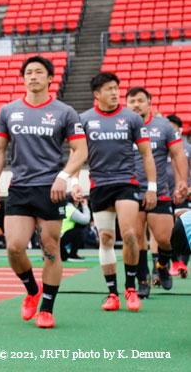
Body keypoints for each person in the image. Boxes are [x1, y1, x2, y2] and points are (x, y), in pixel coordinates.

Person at [0, 55, 87, 329]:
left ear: (49, 78)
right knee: (14, 247)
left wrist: (64, 177)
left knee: (51, 249)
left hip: (51, 190)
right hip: (20, 188)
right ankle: (32, 290)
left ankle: (47, 308)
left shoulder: (65, 112)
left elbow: (81, 151)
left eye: (39, 72)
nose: (33, 76)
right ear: (24, 78)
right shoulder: (8, 111)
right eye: (29, 72)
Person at [80, 72, 157, 313]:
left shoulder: (132, 118)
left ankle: (130, 288)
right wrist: (73, 181)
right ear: (97, 94)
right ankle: (112, 293)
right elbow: (77, 153)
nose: (114, 92)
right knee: (105, 239)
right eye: (109, 89)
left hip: (127, 182)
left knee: (131, 234)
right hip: (99, 185)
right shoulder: (84, 119)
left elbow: (146, 154)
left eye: (116, 88)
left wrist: (152, 187)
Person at [125, 88, 188, 297]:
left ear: (149, 102)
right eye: (132, 101)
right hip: (130, 190)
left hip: (159, 191)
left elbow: (178, 154)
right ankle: (143, 280)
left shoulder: (163, 127)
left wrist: (182, 182)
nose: (136, 105)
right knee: (136, 238)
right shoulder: (121, 126)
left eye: (140, 101)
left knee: (166, 240)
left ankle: (162, 264)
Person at [165, 114, 190, 276]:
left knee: (185, 226)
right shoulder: (159, 146)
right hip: (164, 194)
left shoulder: (188, 148)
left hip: (184, 193)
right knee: (168, 230)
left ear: (180, 130)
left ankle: (183, 263)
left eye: (174, 127)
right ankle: (172, 261)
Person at [60, 196, 91, 262]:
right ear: (75, 201)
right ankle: (73, 255)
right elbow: (86, 220)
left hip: (55, 238)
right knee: (80, 230)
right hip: (61, 238)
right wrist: (85, 206)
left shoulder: (63, 207)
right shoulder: (71, 209)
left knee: (64, 257)